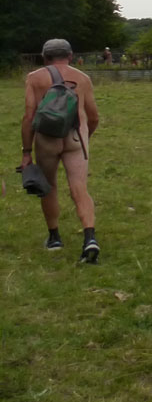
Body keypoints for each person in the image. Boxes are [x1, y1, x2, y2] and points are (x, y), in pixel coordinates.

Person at [20, 38, 101, 262]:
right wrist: (85, 138)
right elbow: (94, 117)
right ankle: (90, 237)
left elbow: (29, 117)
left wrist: (26, 152)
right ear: (70, 56)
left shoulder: (34, 78)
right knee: (79, 187)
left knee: (48, 187)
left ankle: (54, 238)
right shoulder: (83, 78)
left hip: (47, 138)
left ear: (44, 57)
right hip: (75, 138)